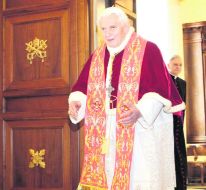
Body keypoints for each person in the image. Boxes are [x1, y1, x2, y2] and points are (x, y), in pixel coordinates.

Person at [68, 7, 185, 190]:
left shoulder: (148, 49)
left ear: (126, 26)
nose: (107, 33)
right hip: (106, 132)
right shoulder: (98, 56)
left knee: (137, 179)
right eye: (103, 29)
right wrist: (77, 102)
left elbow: (161, 91)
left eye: (112, 27)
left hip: (138, 130)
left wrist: (140, 110)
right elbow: (83, 87)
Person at [168, 55, 187, 190]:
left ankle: (181, 186)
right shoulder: (164, 80)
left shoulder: (182, 83)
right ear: (169, 65)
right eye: (175, 64)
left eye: (180, 65)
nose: (178, 67)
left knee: (180, 155)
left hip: (178, 126)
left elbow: (183, 105)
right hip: (167, 125)